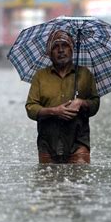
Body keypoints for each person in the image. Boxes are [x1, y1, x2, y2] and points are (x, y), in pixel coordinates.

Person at [25, 30, 100, 164]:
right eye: (55, 47)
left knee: (80, 181)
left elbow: (95, 105)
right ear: (49, 53)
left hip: (78, 142)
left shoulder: (85, 74)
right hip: (48, 143)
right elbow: (31, 108)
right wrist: (54, 111)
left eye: (65, 46)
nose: (61, 50)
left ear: (72, 50)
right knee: (47, 182)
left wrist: (81, 102)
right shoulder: (40, 76)